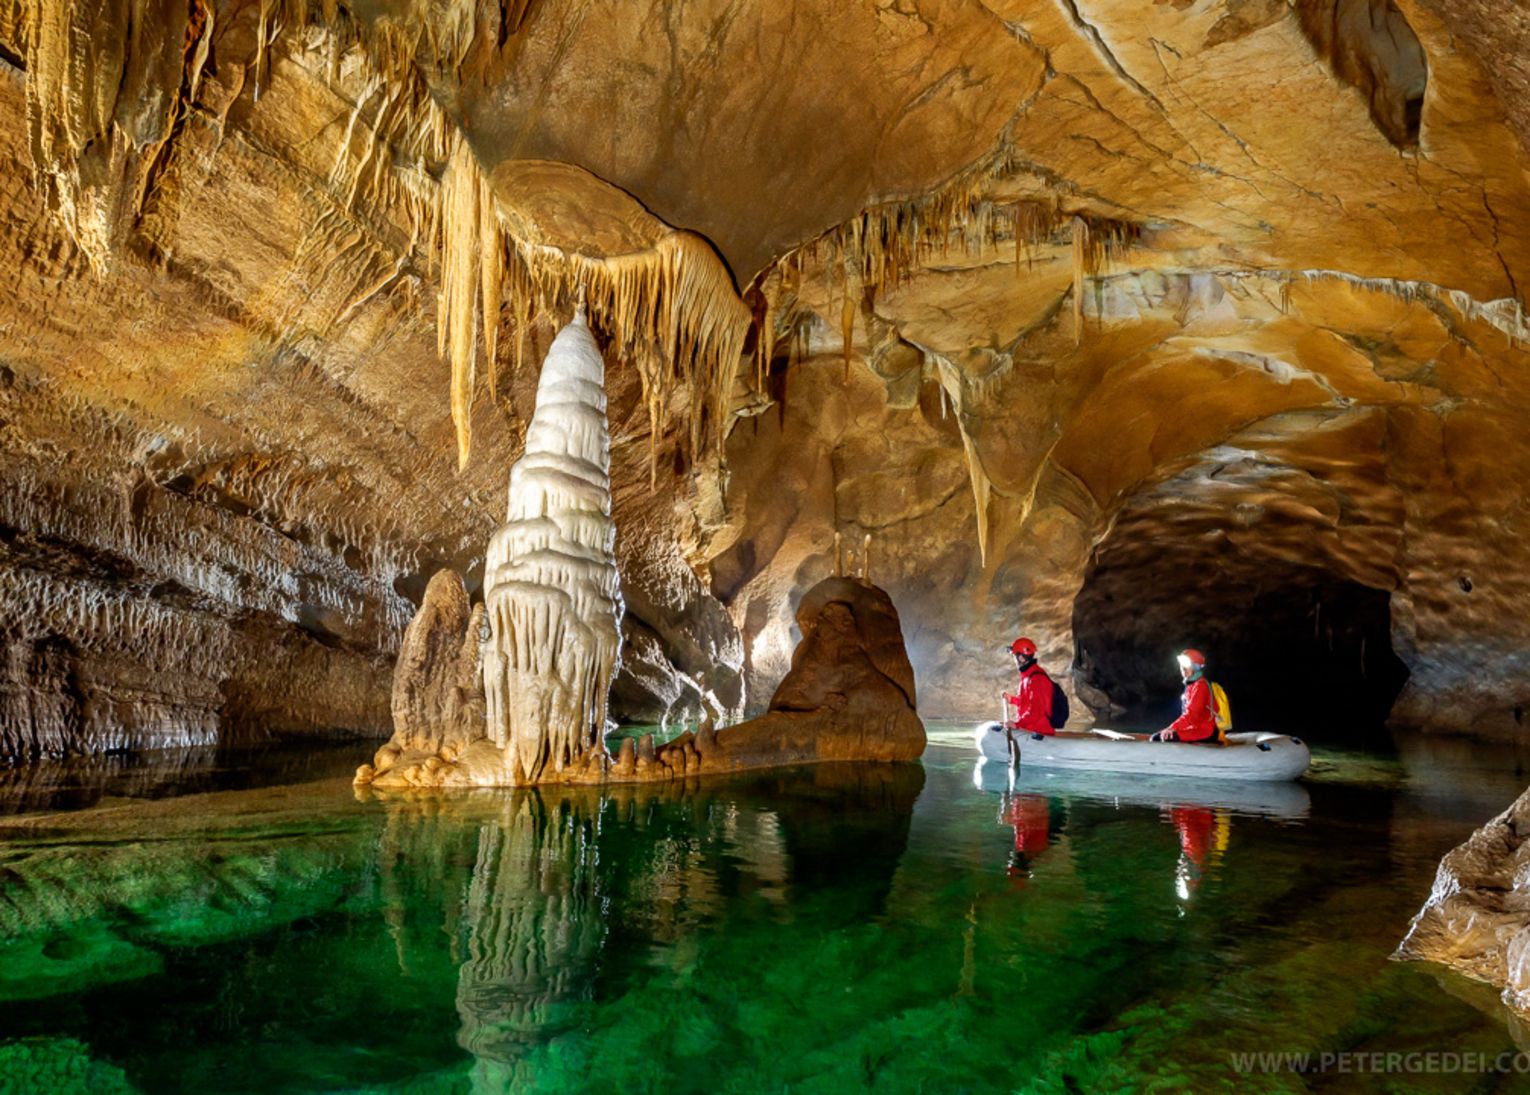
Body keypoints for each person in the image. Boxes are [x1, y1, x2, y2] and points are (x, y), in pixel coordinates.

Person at [1150, 648, 1219, 743]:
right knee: (1157, 736)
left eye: (1186, 665)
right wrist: (1170, 729)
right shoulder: (1191, 685)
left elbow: (1192, 715)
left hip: (1205, 732)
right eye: (1182, 665)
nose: (1183, 668)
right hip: (1194, 729)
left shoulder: (1201, 685)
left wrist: (1172, 728)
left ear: (1196, 668)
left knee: (1158, 738)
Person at [1003, 637, 1056, 737]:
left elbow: (1035, 711)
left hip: (1039, 733)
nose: (1014, 660)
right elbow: (1026, 702)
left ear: (1021, 658)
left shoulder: (1037, 678)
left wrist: (1018, 724)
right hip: (1030, 730)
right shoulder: (1028, 676)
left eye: (1014, 656)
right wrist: (1012, 700)